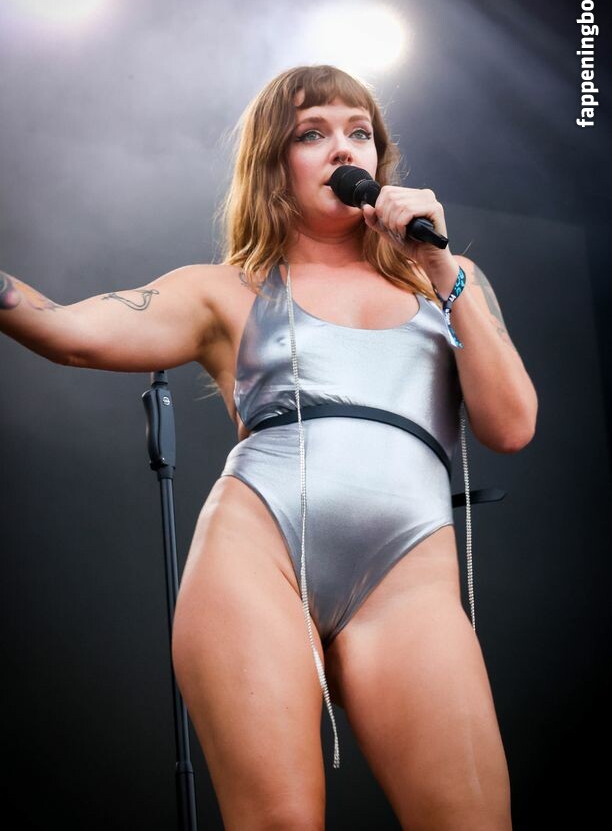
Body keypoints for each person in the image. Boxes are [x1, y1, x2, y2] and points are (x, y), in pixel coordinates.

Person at [0, 63, 537, 830]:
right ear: (272, 164)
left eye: (360, 133)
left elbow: (511, 425)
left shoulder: (449, 282)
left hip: (409, 575)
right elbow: (67, 332)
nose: (343, 149)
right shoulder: (226, 289)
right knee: (279, 821)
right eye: (312, 134)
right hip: (258, 553)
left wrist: (439, 264)